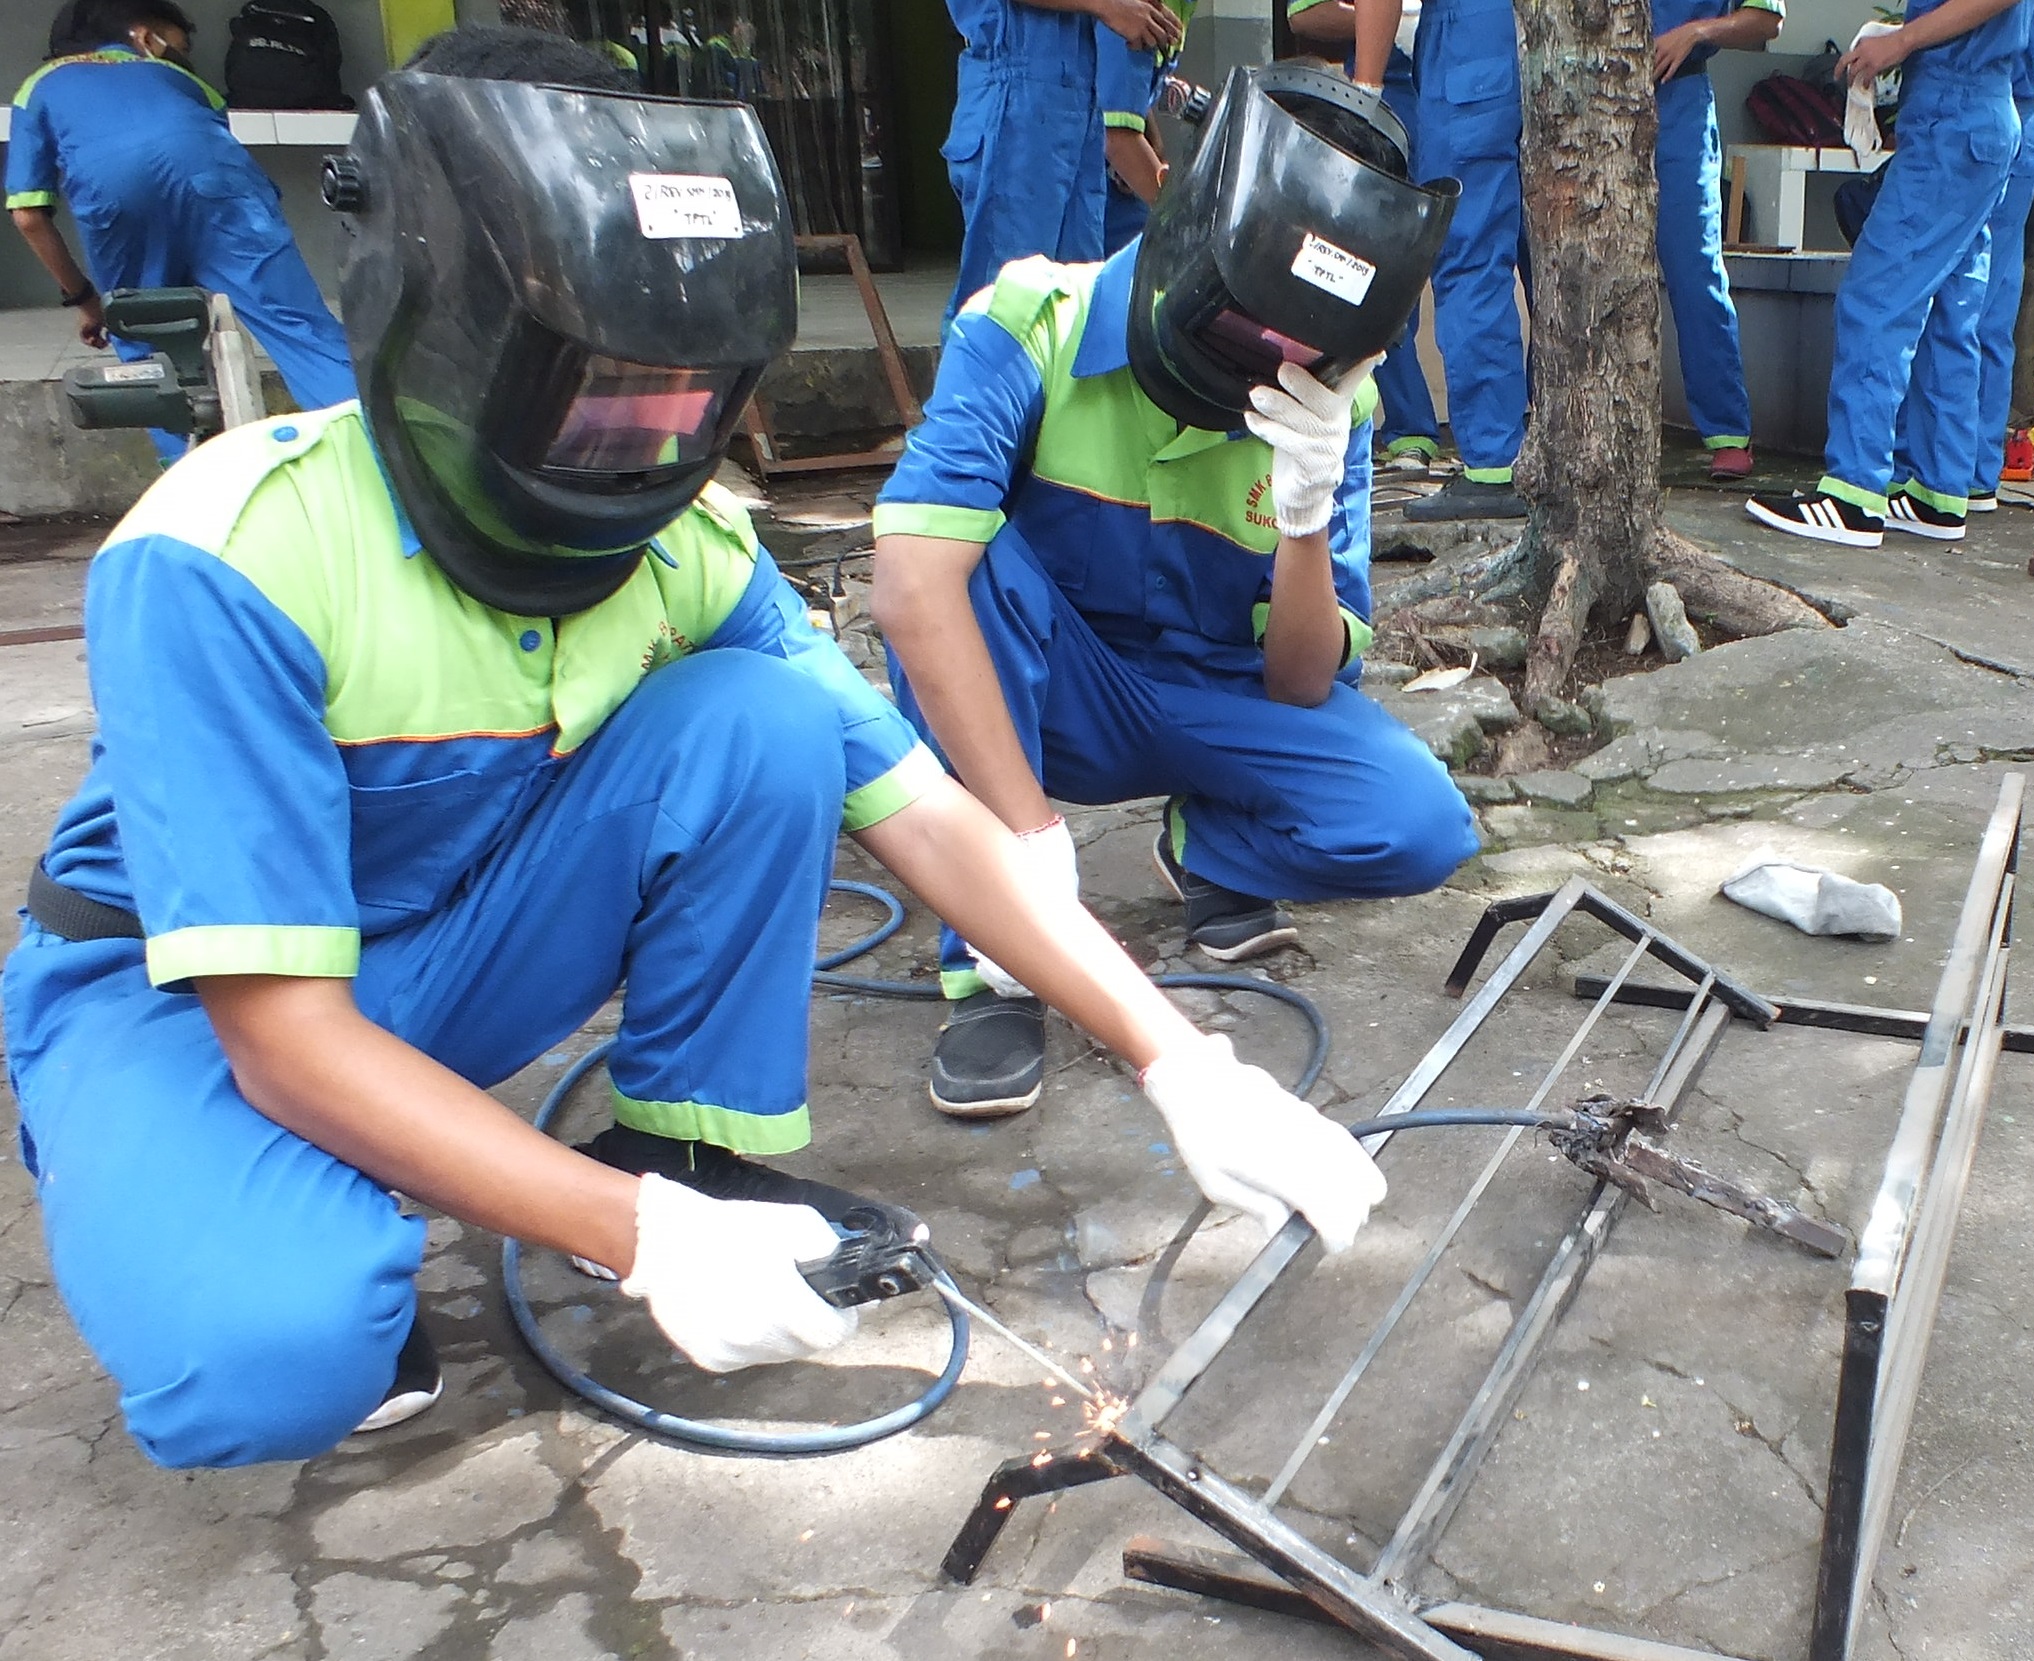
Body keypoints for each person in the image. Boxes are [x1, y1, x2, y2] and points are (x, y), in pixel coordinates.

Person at [2, 25, 1388, 1472]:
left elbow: (920, 816)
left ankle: (665, 1148)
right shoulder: (232, 555)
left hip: (441, 938)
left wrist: (1181, 1061)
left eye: (685, 395)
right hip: (184, 996)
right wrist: (642, 1246)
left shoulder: (692, 541)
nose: (649, 441)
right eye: (601, 388)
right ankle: (179, 1161)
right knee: (279, 1364)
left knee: (771, 719)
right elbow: (281, 1035)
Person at [872, 64, 1479, 1117]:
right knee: (959, 562)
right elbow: (909, 590)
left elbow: (1297, 685)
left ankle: (1206, 845)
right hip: (1053, 696)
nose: (1261, 365)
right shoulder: (1029, 323)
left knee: (1416, 822)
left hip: (1215, 696)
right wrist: (1028, 843)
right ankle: (992, 956)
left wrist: (1303, 516)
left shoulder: (1339, 406)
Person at [6, 0, 356, 462]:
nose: (180, 55)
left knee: (153, 351)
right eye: (177, 44)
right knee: (301, 329)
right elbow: (205, 150)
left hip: (119, 202)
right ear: (144, 37)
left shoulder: (38, 88)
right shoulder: (189, 84)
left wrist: (86, 301)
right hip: (223, 189)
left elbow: (29, 215)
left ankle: (199, 490)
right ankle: (386, 464)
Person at [1745, 0, 2028, 548]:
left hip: (1953, 117)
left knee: (1876, 298)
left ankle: (1853, 493)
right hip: (1978, 117)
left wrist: (1901, 42)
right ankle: (1937, 493)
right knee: (1950, 312)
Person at [1353, 0, 1528, 520]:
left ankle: (1494, 468)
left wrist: (1365, 94)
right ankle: (1575, 457)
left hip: (1473, 45)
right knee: (1559, 261)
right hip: (1567, 52)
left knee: (1472, 260)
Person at [1888, 0, 2034, 526]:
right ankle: (1970, 473)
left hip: (1983, 102)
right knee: (1982, 306)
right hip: (2013, 112)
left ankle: (1941, 472)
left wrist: (1904, 40)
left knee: (1951, 303)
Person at [941, 0, 1184, 324]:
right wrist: (1111, 6)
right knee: (1007, 310)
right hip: (1016, 102)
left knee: (1076, 309)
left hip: (1078, 110)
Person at [1285, 0, 1442, 469]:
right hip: (1384, 95)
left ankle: (1534, 434)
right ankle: (1410, 429)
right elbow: (1303, 14)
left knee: (1497, 258)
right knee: (1377, 263)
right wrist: (1386, 22)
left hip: (1465, 83)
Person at [1650, 0, 1782, 483]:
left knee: (1694, 271)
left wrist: (1697, 32)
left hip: (1677, 103)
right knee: (1576, 272)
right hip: (1586, 108)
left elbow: (1767, 22)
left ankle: (1726, 428)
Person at [1092, 0, 1192, 255]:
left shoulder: (1179, 7)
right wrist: (1186, 222)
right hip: (1097, 184)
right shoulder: (1131, 11)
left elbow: (1122, 88)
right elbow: (1117, 140)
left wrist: (1151, 135)